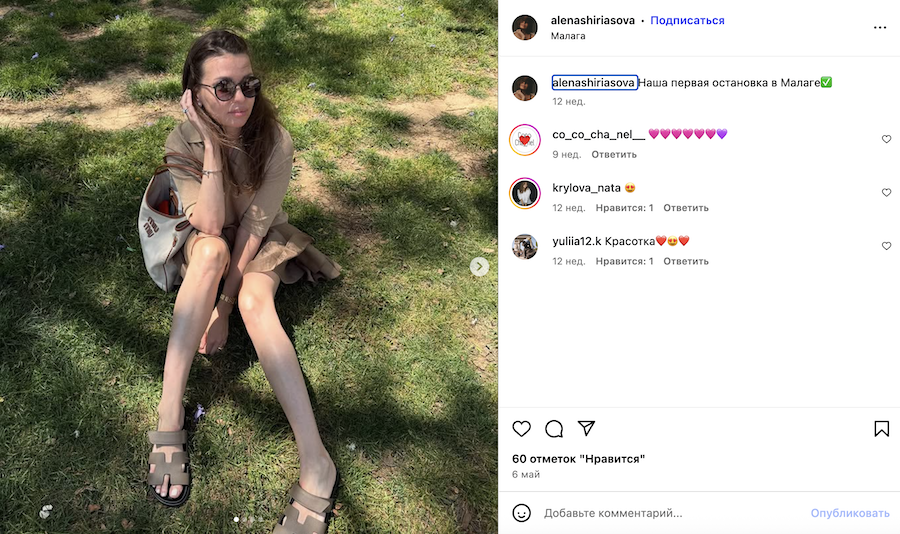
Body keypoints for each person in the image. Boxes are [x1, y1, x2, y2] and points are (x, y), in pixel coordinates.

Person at [146, 30, 341, 534]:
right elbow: (210, 224)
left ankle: (317, 464)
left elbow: (253, 228)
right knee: (211, 250)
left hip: (257, 238)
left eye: (249, 84)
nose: (241, 98)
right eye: (224, 87)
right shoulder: (181, 141)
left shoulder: (275, 140)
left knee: (256, 300)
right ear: (194, 94)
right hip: (207, 235)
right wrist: (212, 147)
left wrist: (226, 306)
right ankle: (169, 416)